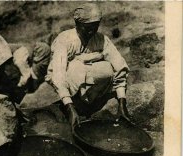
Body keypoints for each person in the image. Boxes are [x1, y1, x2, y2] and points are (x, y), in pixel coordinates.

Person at [44, 3, 133, 131]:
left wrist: (122, 103)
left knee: (108, 67)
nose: (91, 31)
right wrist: (69, 108)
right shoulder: (65, 39)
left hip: (96, 90)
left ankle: (91, 103)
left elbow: (120, 66)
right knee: (76, 67)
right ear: (77, 24)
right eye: (87, 27)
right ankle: (74, 104)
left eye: (95, 27)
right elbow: (58, 74)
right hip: (72, 85)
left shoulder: (102, 39)